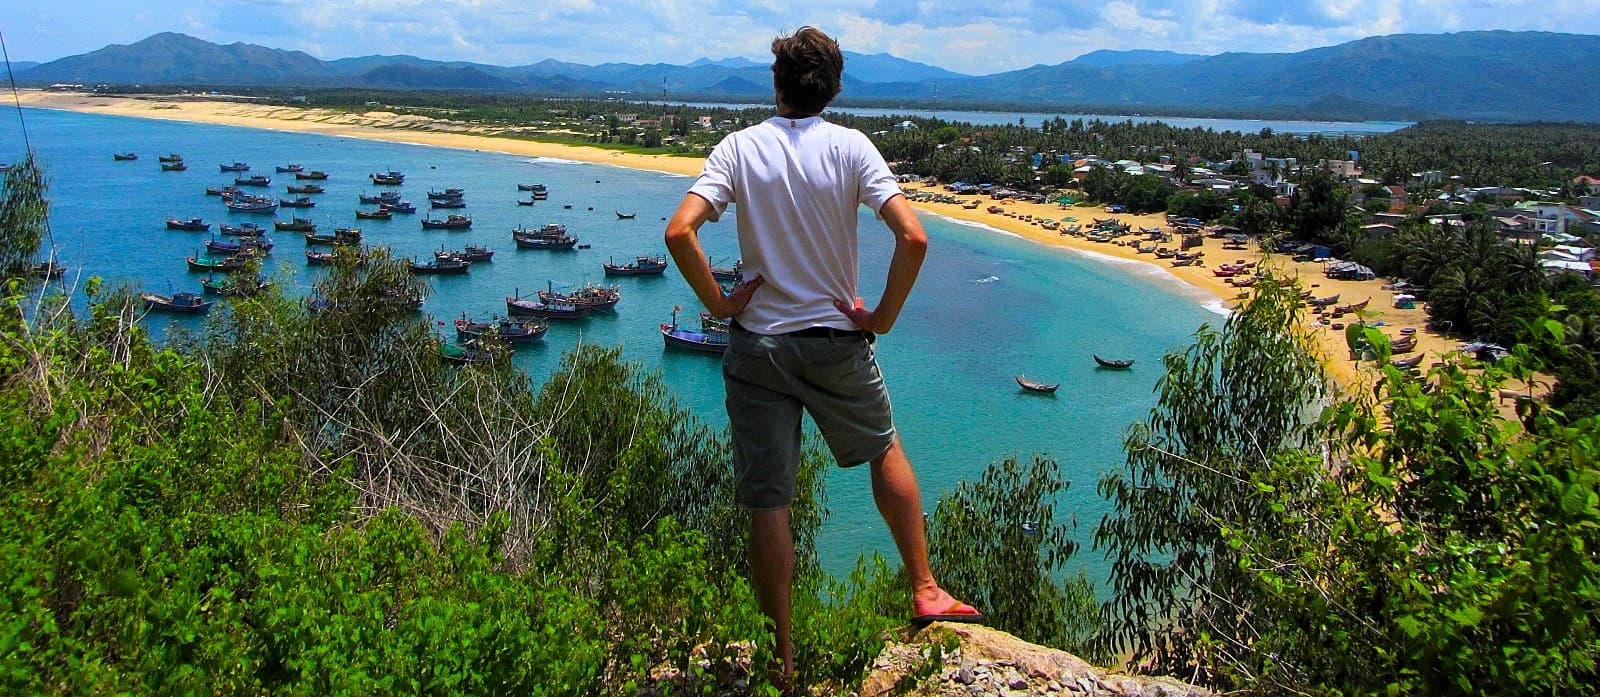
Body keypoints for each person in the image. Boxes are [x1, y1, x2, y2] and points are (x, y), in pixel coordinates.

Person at [663, 25, 981, 682]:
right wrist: (880, 318)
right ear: (832, 90)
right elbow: (913, 239)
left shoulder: (739, 147)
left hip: (759, 347)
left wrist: (722, 306)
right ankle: (924, 587)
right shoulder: (852, 148)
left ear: (777, 83)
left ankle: (781, 656)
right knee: (884, 450)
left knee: (768, 500)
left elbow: (680, 231)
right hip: (837, 341)